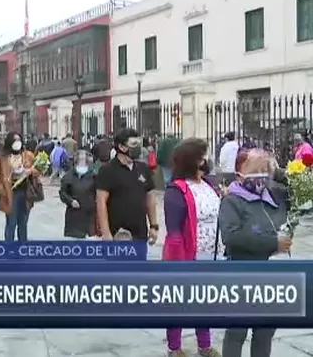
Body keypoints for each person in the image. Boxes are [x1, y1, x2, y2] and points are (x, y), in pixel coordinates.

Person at [219, 149, 289, 357]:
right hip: (240, 271)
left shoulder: (273, 195)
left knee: (265, 329)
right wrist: (272, 242)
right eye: (255, 169)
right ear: (239, 172)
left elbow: (302, 193)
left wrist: (277, 173)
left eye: (265, 169)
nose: (261, 175)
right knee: (237, 330)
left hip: (268, 273)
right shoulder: (232, 200)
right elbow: (231, 236)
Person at [162, 138, 222, 357]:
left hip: (212, 254)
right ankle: (174, 347)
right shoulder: (176, 190)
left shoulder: (207, 184)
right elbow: (174, 231)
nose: (207, 160)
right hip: (188, 256)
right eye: (203, 155)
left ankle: (204, 344)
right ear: (193, 160)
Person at [96, 128, 159, 243]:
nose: (138, 147)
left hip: (140, 233)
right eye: (134, 144)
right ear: (122, 147)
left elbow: (150, 198)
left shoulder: (143, 168)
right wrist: (106, 232)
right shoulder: (107, 170)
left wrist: (154, 226)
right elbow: (101, 202)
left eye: (138, 144)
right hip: (117, 233)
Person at [0, 131, 39, 241]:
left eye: (19, 140)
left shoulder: (27, 155)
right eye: (15, 141)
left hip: (26, 193)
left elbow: (38, 169)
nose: (17, 143)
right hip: (10, 193)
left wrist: (31, 171)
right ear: (9, 142)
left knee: (23, 223)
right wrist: (1, 189)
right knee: (11, 223)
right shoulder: (1, 157)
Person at [59, 150, 96, 238]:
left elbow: (98, 192)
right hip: (74, 214)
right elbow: (63, 192)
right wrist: (70, 201)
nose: (82, 162)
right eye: (80, 160)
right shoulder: (68, 176)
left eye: (84, 160)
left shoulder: (94, 176)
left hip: (89, 213)